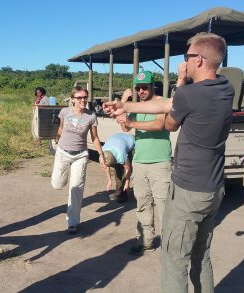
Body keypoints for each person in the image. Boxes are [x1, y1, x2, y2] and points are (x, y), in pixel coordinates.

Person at [104, 32, 234, 293]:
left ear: (199, 59)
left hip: (188, 190)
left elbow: (170, 120)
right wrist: (125, 106)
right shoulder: (225, 88)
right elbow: (167, 104)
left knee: (174, 259)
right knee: (202, 255)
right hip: (214, 187)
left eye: (188, 56)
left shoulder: (189, 93)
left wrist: (182, 80)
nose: (184, 61)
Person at [115, 71, 172, 255]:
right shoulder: (136, 106)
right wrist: (123, 110)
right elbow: (125, 127)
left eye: (144, 87)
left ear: (152, 86)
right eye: (138, 88)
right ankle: (145, 241)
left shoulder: (162, 102)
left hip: (160, 162)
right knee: (143, 203)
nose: (141, 91)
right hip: (140, 161)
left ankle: (169, 245)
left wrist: (132, 124)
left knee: (164, 205)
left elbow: (159, 125)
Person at [51, 86, 106, 234]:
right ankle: (61, 181)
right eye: (79, 97)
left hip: (80, 155)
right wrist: (56, 139)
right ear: (73, 99)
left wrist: (101, 154)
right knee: (57, 184)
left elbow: (94, 137)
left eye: (85, 97)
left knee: (76, 189)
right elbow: (61, 128)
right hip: (63, 152)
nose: (83, 100)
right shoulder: (64, 112)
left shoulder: (91, 116)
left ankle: (73, 222)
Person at [101, 132, 135, 203]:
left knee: (127, 169)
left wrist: (127, 182)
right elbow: (106, 166)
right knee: (117, 169)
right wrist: (109, 181)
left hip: (131, 143)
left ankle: (124, 194)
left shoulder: (121, 154)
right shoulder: (103, 151)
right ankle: (119, 190)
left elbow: (128, 169)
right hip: (118, 142)